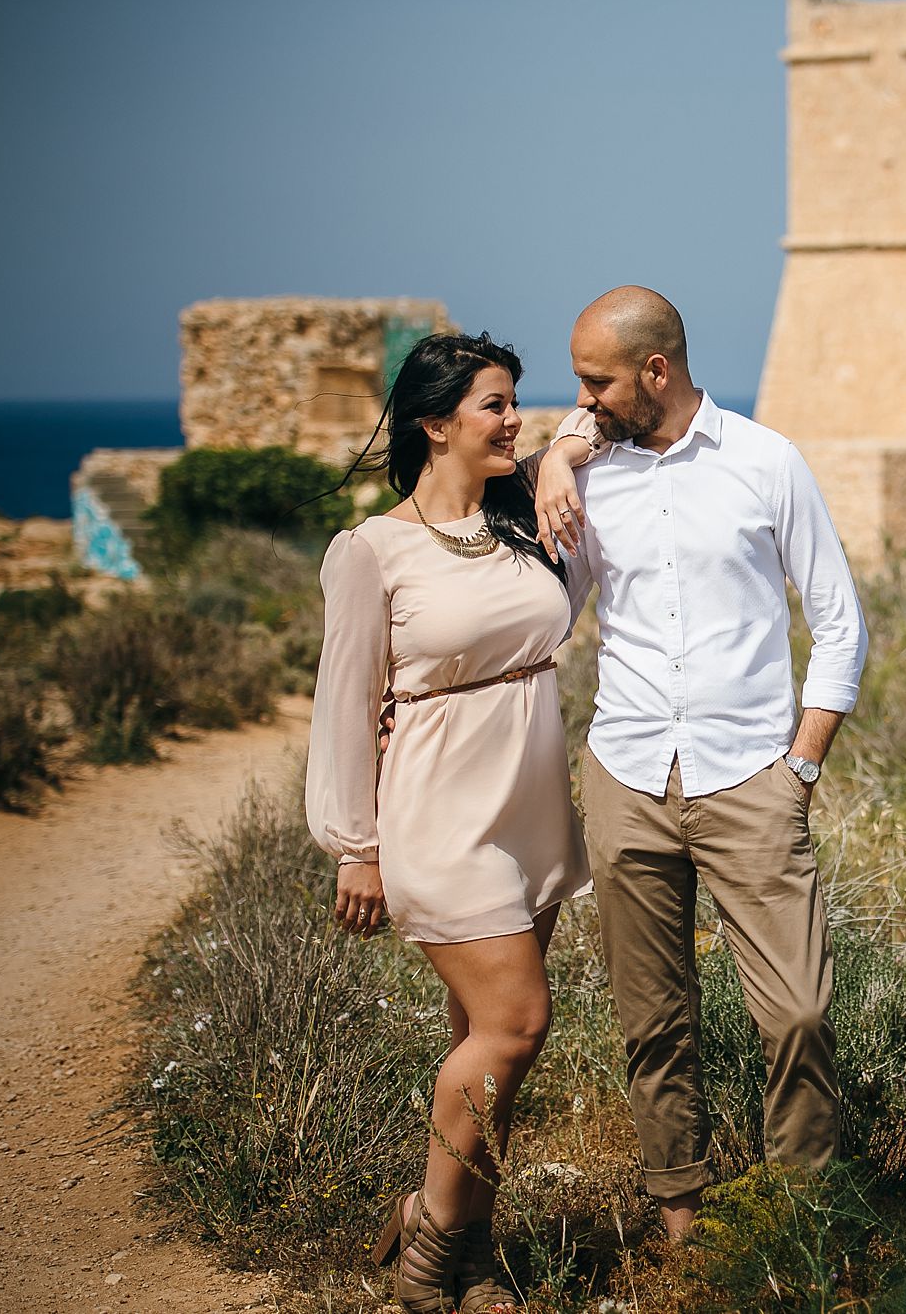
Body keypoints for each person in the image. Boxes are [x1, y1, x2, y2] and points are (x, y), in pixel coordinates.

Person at [529, 286, 868, 1241]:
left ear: (656, 372)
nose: (582, 400)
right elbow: (553, 616)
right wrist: (557, 457)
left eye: (595, 382)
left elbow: (838, 622)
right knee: (653, 1020)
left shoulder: (768, 462)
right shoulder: (589, 474)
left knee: (798, 1012)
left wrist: (800, 767)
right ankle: (681, 1226)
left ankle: (799, 1225)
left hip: (753, 775)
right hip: (628, 772)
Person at [305, 332, 592, 1314]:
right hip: (439, 811)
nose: (513, 418)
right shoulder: (372, 550)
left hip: (531, 805)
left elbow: (598, 427)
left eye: (516, 402)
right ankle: (429, 1259)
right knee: (515, 1024)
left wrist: (557, 451)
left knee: (496, 1045)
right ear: (434, 422)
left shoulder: (524, 521)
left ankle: (467, 1253)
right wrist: (357, 845)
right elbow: (345, 701)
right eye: (494, 405)